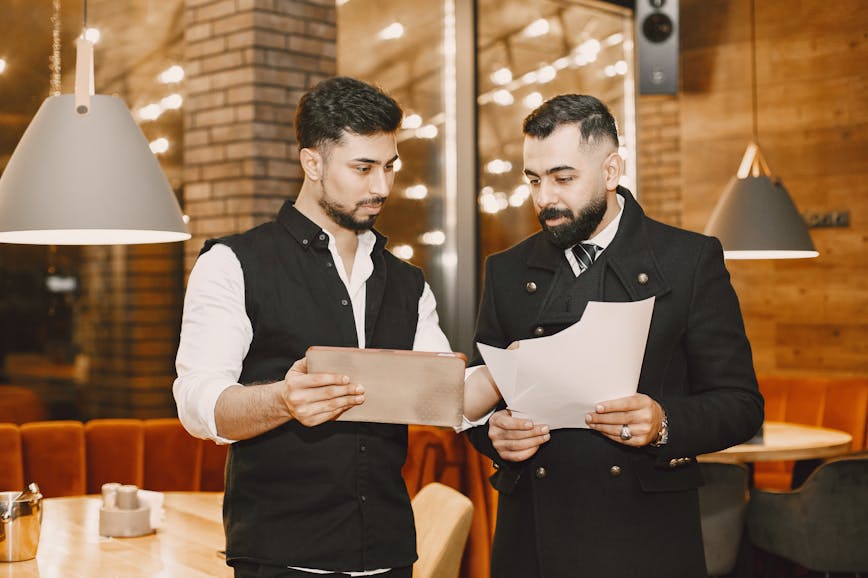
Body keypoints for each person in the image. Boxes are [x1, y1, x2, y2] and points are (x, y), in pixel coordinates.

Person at [465, 94, 764, 578]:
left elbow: (741, 405)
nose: (545, 198)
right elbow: (481, 391)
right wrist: (492, 433)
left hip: (644, 537)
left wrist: (663, 422)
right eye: (534, 180)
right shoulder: (505, 271)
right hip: (532, 540)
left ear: (610, 171)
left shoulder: (688, 261)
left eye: (563, 179)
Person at [173, 76, 456, 578]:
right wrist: (282, 399)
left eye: (389, 166)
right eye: (363, 168)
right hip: (280, 558)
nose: (382, 187)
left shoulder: (409, 282)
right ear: (312, 163)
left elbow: (444, 392)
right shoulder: (233, 263)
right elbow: (198, 402)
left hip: (389, 556)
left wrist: (510, 377)